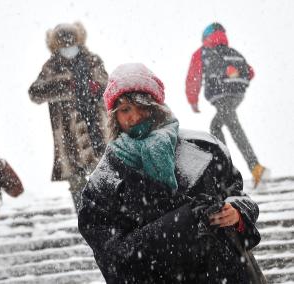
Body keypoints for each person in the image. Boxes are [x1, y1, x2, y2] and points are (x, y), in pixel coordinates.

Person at [78, 63, 266, 283]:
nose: (135, 117)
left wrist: (236, 213)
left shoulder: (206, 147)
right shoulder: (102, 184)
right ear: (114, 116)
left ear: (157, 105)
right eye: (125, 109)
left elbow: (239, 196)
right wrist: (185, 220)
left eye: (142, 106)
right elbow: (114, 257)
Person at [28, 22, 108, 213]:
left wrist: (97, 88)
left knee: (105, 179)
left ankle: (108, 222)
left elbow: (108, 86)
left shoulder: (92, 60)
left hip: (97, 129)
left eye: (71, 40)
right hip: (69, 137)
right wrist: (62, 87)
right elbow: (34, 92)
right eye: (63, 42)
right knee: (77, 184)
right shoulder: (51, 67)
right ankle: (86, 223)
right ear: (56, 44)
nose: (68, 45)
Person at [185, 22, 268, 188]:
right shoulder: (230, 51)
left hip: (221, 95)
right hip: (236, 95)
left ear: (205, 37)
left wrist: (193, 100)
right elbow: (249, 71)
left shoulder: (202, 52)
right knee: (220, 126)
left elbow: (193, 76)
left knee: (226, 128)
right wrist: (233, 80)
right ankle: (240, 168)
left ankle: (235, 170)